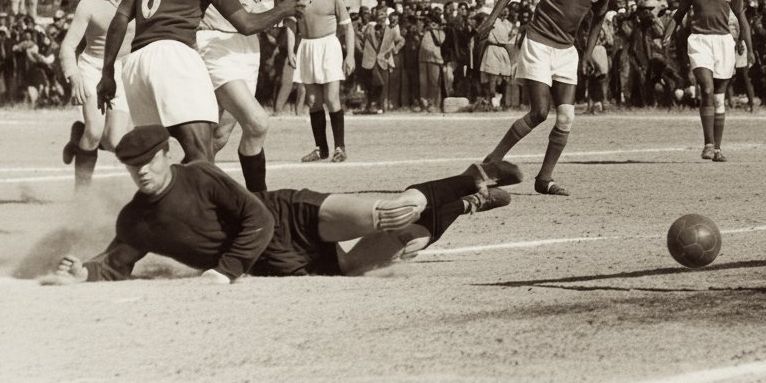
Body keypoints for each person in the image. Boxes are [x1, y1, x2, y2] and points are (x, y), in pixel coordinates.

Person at [51, 125, 523, 283]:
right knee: (407, 244)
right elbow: (117, 262)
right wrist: (86, 272)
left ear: (167, 155)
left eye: (149, 162)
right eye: (134, 168)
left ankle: (469, 177)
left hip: (289, 215)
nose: (143, 173)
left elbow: (255, 215)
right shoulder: (136, 219)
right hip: (279, 263)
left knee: (391, 213)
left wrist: (226, 269)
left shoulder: (200, 175)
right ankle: (468, 204)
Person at [97, 0, 306, 166]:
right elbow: (246, 24)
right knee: (202, 153)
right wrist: (284, 9)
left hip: (136, 64)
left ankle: (162, 205)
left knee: (155, 161)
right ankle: (207, 206)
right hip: (174, 57)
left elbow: (119, 19)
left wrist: (107, 74)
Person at [476, 0, 611, 196]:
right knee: (539, 112)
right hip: (538, 43)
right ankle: (492, 161)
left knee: (566, 117)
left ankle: (544, 179)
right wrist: (492, 19)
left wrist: (588, 54)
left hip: (566, 51)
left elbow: (598, 20)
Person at [196, 0, 301, 192]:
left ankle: (190, 189)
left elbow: (286, 1)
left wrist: (267, 8)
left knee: (220, 134)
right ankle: (261, 202)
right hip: (210, 41)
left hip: (247, 45)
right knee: (257, 121)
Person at [58, 0, 135, 190]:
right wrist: (75, 77)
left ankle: (78, 139)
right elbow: (67, 47)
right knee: (94, 130)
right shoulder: (88, 4)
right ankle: (81, 197)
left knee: (114, 141)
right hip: (93, 69)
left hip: (124, 71)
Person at [671, 0, 755, 162]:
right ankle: (708, 144)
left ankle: (717, 148)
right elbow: (679, 13)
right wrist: (667, 33)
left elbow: (742, 20)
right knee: (706, 89)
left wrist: (749, 47)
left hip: (724, 43)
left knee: (719, 98)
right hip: (699, 40)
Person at [289, 0, 355, 163]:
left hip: (328, 48)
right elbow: (291, 27)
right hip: (307, 48)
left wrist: (350, 55)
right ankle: (321, 149)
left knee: (332, 99)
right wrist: (290, 50)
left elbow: (348, 28)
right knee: (312, 101)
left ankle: (340, 148)